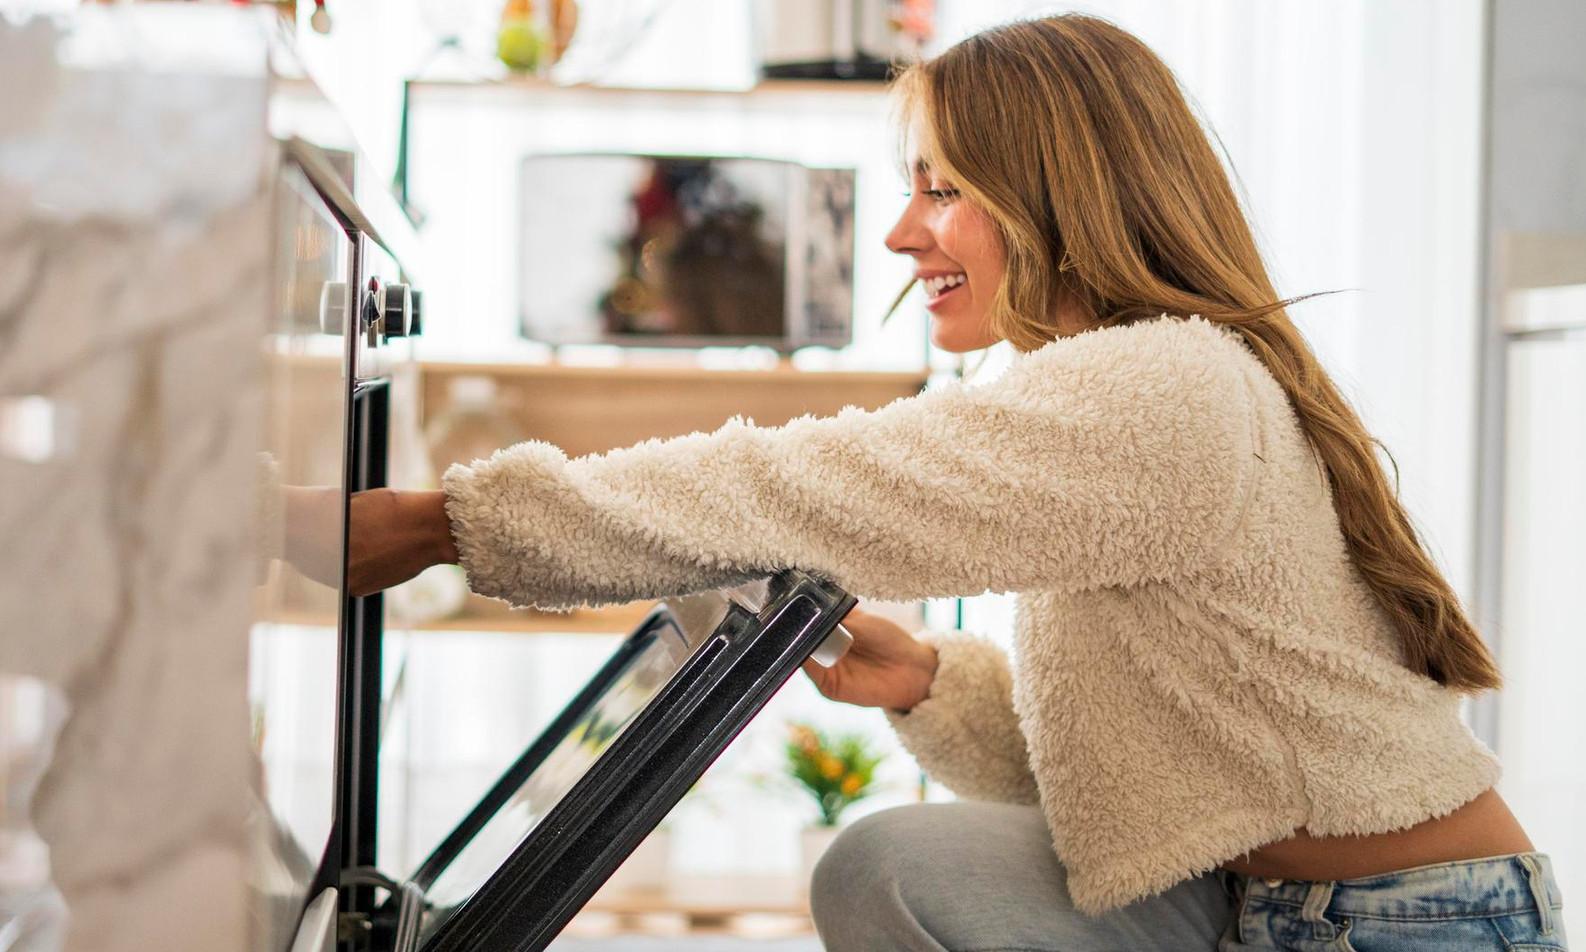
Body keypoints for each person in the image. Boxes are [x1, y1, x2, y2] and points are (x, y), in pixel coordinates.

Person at [336, 14, 1568, 951]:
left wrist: (450, 522)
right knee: (895, 866)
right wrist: (927, 679)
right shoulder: (1136, 385)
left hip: (1406, 923)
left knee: (883, 864)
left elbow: (792, 487)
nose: (900, 233)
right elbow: (1139, 779)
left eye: (942, 190)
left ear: (1057, 197)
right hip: (1265, 899)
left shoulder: (1161, 387)